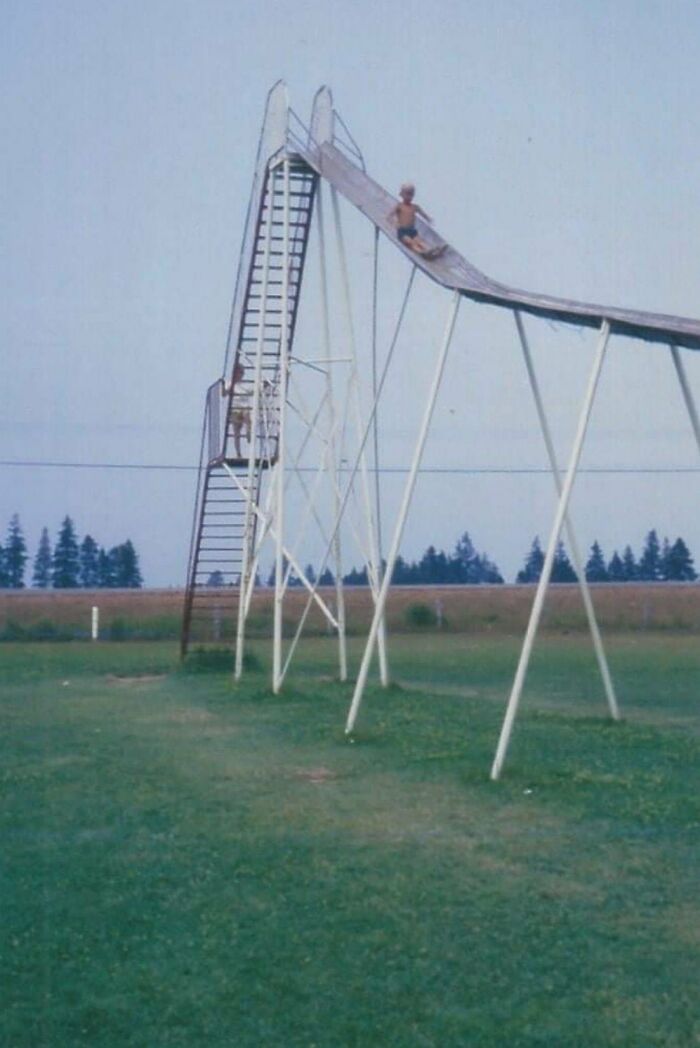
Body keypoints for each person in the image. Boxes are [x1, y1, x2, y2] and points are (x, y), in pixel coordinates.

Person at [387, 183, 446, 259]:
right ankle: (422, 252)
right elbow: (389, 216)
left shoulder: (414, 207)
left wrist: (429, 219)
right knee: (411, 243)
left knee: (419, 241)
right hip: (402, 231)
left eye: (411, 194)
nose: (409, 196)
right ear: (401, 194)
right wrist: (394, 223)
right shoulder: (399, 206)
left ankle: (431, 250)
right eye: (407, 194)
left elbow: (423, 214)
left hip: (412, 230)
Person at [222, 361, 252, 458]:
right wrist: (228, 387)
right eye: (239, 372)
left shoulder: (246, 385)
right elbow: (224, 394)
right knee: (236, 432)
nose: (241, 375)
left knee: (247, 416)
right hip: (234, 409)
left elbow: (254, 391)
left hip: (244, 408)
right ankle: (238, 453)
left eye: (242, 373)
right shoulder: (229, 383)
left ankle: (248, 431)